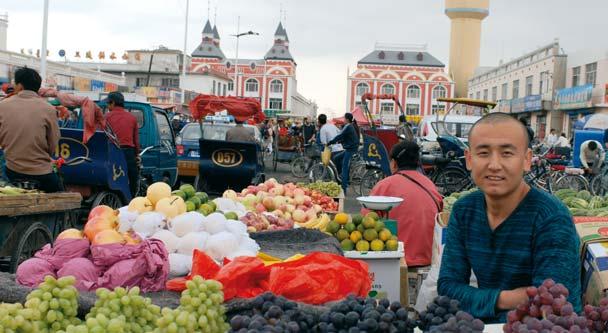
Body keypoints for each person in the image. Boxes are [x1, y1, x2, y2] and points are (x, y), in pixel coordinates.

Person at [437, 112, 581, 323]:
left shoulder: (551, 217)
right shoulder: (464, 211)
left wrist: (479, 302)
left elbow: (554, 303)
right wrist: (507, 298)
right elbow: (448, 288)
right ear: (469, 159)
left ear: (526, 160)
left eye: (506, 153)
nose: (494, 165)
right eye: (484, 153)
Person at [362, 140, 441, 267]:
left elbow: (365, 221)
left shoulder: (385, 185)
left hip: (395, 258)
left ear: (394, 163)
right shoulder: (431, 186)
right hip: (429, 258)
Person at [0, 67, 62, 192]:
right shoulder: (49, 109)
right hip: (42, 173)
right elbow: (53, 143)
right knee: (59, 193)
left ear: (20, 86)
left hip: (12, 171)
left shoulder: (2, 106)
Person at [104, 91, 140, 197]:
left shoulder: (106, 117)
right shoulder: (132, 118)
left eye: (108, 103)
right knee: (132, 176)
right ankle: (131, 198)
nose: (107, 106)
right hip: (128, 153)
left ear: (113, 103)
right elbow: (136, 141)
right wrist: (137, 155)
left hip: (111, 152)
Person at [328, 113, 360, 194]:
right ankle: (339, 176)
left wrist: (331, 142)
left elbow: (340, 135)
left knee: (345, 169)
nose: (343, 120)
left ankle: (344, 189)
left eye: (344, 119)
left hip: (351, 150)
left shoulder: (348, 126)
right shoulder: (349, 126)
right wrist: (337, 141)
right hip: (349, 148)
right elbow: (344, 137)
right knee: (336, 158)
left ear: (347, 120)